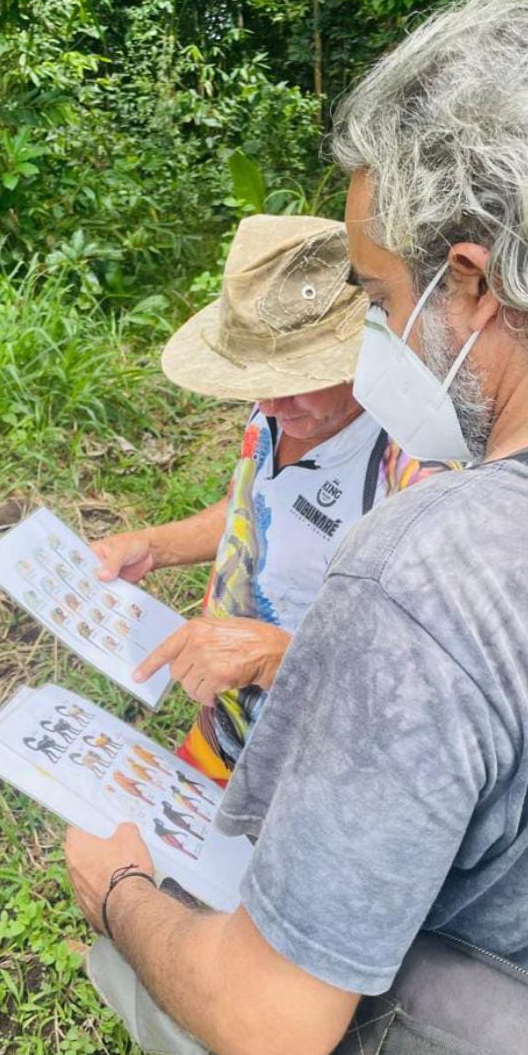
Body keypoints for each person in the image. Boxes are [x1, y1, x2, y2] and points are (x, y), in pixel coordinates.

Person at [66, 0, 528, 1055]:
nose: (382, 340)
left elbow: (278, 1019)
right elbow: (250, 508)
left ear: (465, 283)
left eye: (380, 301)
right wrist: (164, 544)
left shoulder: (423, 555)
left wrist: (118, 889)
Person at [93, 216, 456, 782]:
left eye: (297, 377)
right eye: (258, 380)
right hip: (231, 724)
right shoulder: (277, 411)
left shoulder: (419, 470)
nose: (271, 401)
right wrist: (156, 546)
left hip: (327, 760)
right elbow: (260, 509)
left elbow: (436, 678)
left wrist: (276, 655)